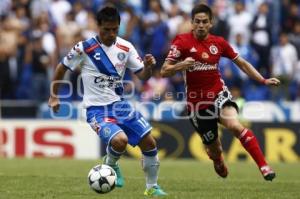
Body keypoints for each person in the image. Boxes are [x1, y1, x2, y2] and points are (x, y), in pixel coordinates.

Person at [48, 6, 167, 196]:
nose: (111, 34)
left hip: (119, 105)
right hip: (95, 110)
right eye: (107, 30)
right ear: (98, 27)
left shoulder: (126, 47)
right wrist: (54, 95)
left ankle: (152, 188)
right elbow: (61, 68)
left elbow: (143, 76)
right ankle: (110, 163)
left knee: (150, 142)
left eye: (115, 29)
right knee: (120, 141)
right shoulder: (84, 48)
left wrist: (148, 66)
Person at [161, 4, 280, 181]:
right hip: (197, 104)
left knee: (235, 126)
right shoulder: (182, 42)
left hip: (218, 94)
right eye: (197, 21)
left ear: (211, 23)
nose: (201, 25)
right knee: (214, 147)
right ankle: (217, 160)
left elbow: (242, 63)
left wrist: (262, 80)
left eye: (205, 21)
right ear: (192, 23)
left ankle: (264, 166)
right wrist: (181, 65)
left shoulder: (219, 43)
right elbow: (164, 70)